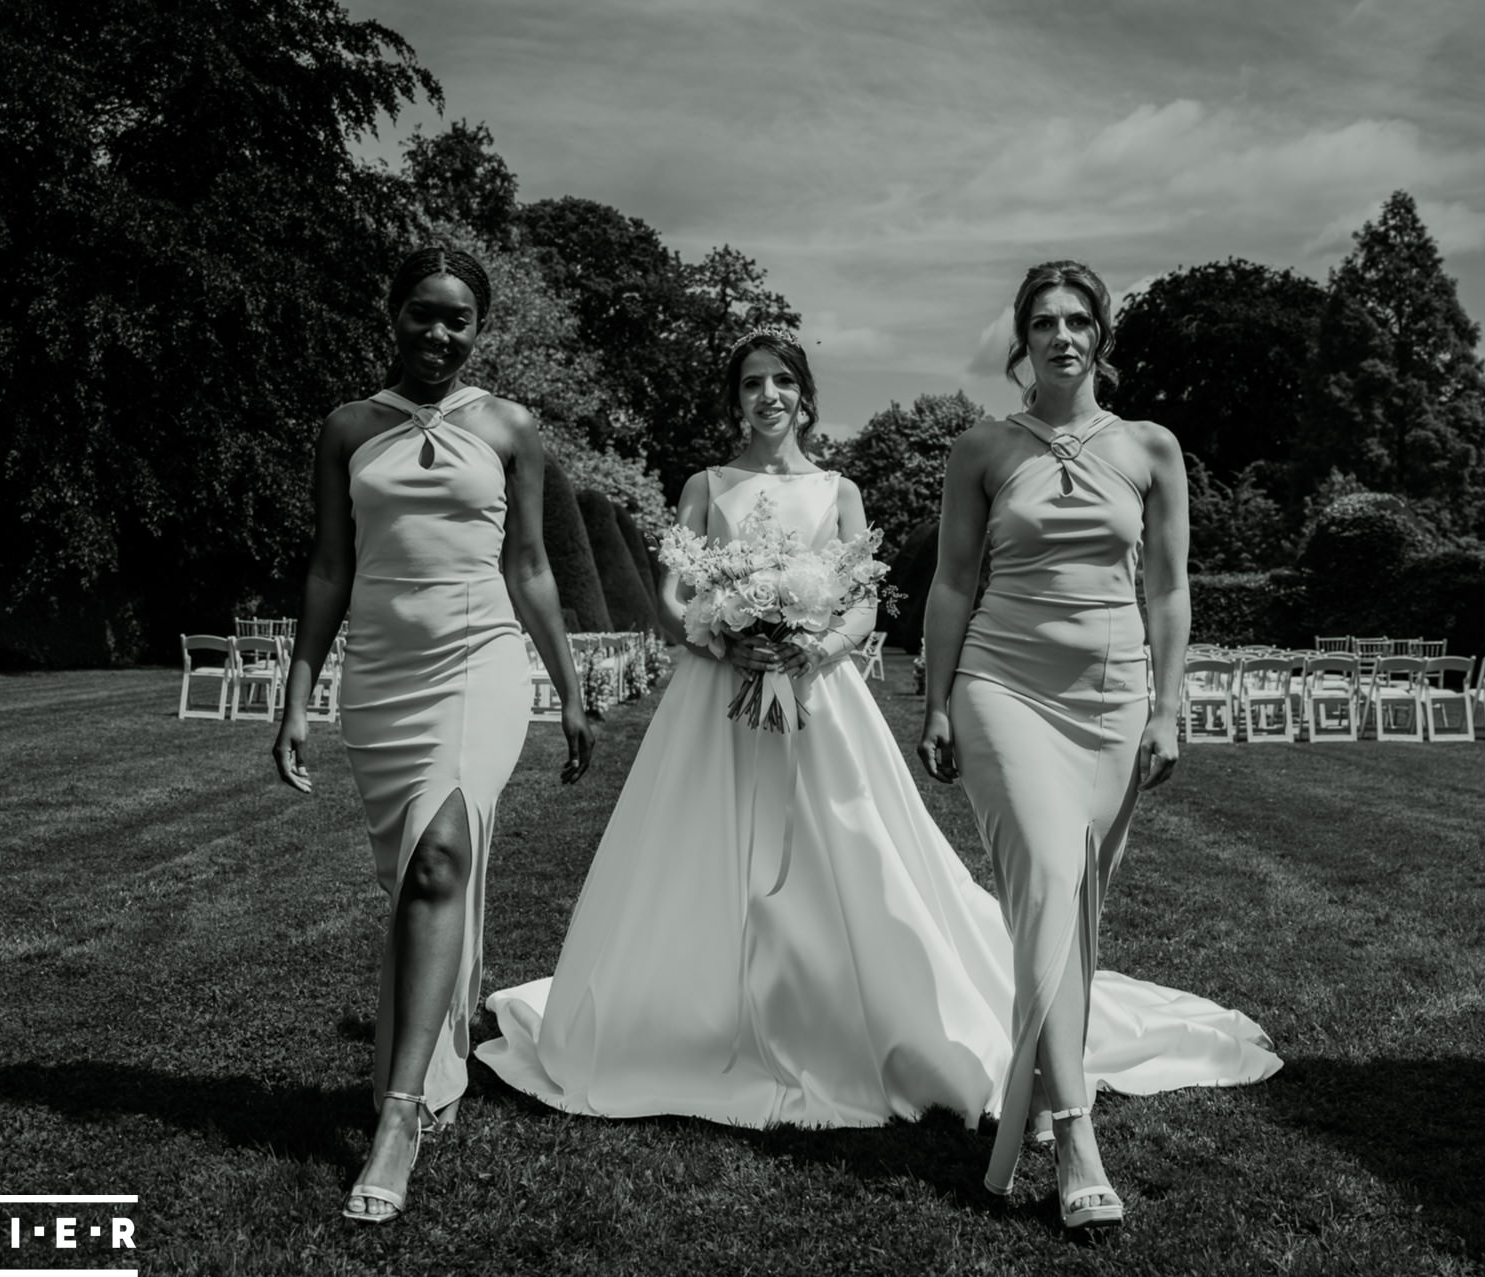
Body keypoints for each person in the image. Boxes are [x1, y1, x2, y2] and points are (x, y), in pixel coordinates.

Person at [477, 327, 1277, 1178]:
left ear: (806, 397)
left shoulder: (841, 491)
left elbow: (863, 603)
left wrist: (812, 645)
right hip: (716, 699)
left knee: (847, 851)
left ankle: (835, 1016)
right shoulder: (705, 485)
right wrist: (719, 633)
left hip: (818, 696)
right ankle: (695, 1016)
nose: (768, 396)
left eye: (783, 381)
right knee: (699, 850)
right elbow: (674, 595)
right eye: (751, 383)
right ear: (735, 400)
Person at [916, 259, 1242, 1230]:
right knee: (1051, 880)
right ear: (1022, 340)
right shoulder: (980, 448)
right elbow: (952, 581)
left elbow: (1168, 589)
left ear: (1100, 335)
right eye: (1045, 322)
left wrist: (1168, 706)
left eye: (1079, 320)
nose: (1063, 336)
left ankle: (1041, 1091)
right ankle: (1074, 1131)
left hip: (1112, 703)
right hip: (1001, 687)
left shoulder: (1151, 447)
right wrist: (936, 702)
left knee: (1077, 913)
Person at [272, 245, 594, 1224]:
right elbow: (330, 567)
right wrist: (298, 693)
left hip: (478, 664)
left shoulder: (509, 426)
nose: (440, 332)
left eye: (459, 318)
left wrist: (569, 688)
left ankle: (401, 1112)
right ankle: (430, 1052)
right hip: (381, 676)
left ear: (479, 329)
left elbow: (529, 566)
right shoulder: (346, 427)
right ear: (394, 314)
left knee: (441, 857)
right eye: (424, 312)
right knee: (415, 877)